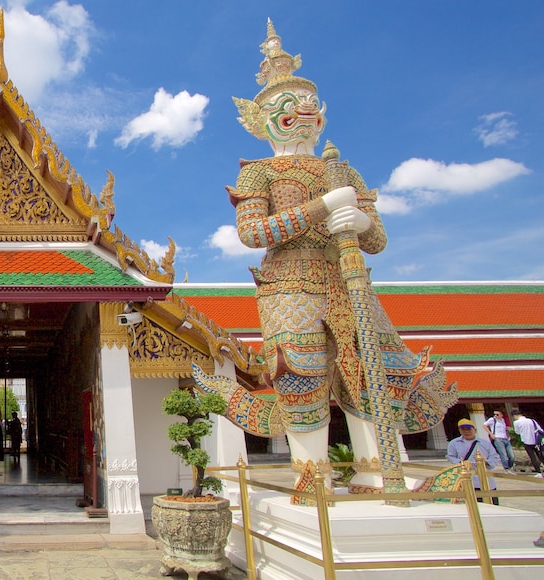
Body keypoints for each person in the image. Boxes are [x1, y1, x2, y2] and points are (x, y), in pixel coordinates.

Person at [194, 19, 454, 497]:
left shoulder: (343, 170)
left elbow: (377, 242)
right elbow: (253, 233)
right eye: (287, 108)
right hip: (289, 285)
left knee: (371, 376)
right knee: (301, 378)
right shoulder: (258, 176)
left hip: (347, 277)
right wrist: (321, 207)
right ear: (262, 119)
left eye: (310, 107)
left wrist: (360, 223)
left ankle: (375, 471)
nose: (303, 114)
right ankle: (312, 476)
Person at [446, 418, 502, 504]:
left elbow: (494, 456)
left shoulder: (484, 443)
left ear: (474, 430)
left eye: (468, 429)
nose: (466, 431)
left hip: (486, 478)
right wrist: (462, 463)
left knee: (491, 504)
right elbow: (450, 457)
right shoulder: (454, 443)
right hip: (467, 479)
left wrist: (486, 462)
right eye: (463, 429)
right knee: (472, 505)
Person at [512, 409, 544, 477]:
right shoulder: (532, 420)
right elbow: (540, 429)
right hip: (536, 441)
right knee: (541, 457)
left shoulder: (516, 422)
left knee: (533, 457)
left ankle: (539, 473)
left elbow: (517, 432)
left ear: (515, 415)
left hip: (527, 441)